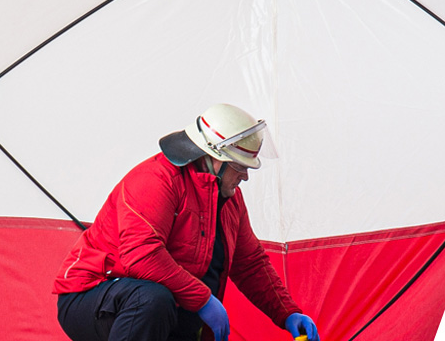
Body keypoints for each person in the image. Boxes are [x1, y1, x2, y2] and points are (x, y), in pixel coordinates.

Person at [51, 104, 319, 341]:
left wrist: (288, 314)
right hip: (92, 295)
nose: (245, 177)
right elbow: (142, 256)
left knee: (167, 306)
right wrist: (203, 300)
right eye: (240, 167)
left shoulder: (232, 201)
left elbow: (250, 264)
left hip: (167, 310)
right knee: (152, 300)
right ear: (215, 158)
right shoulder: (156, 180)